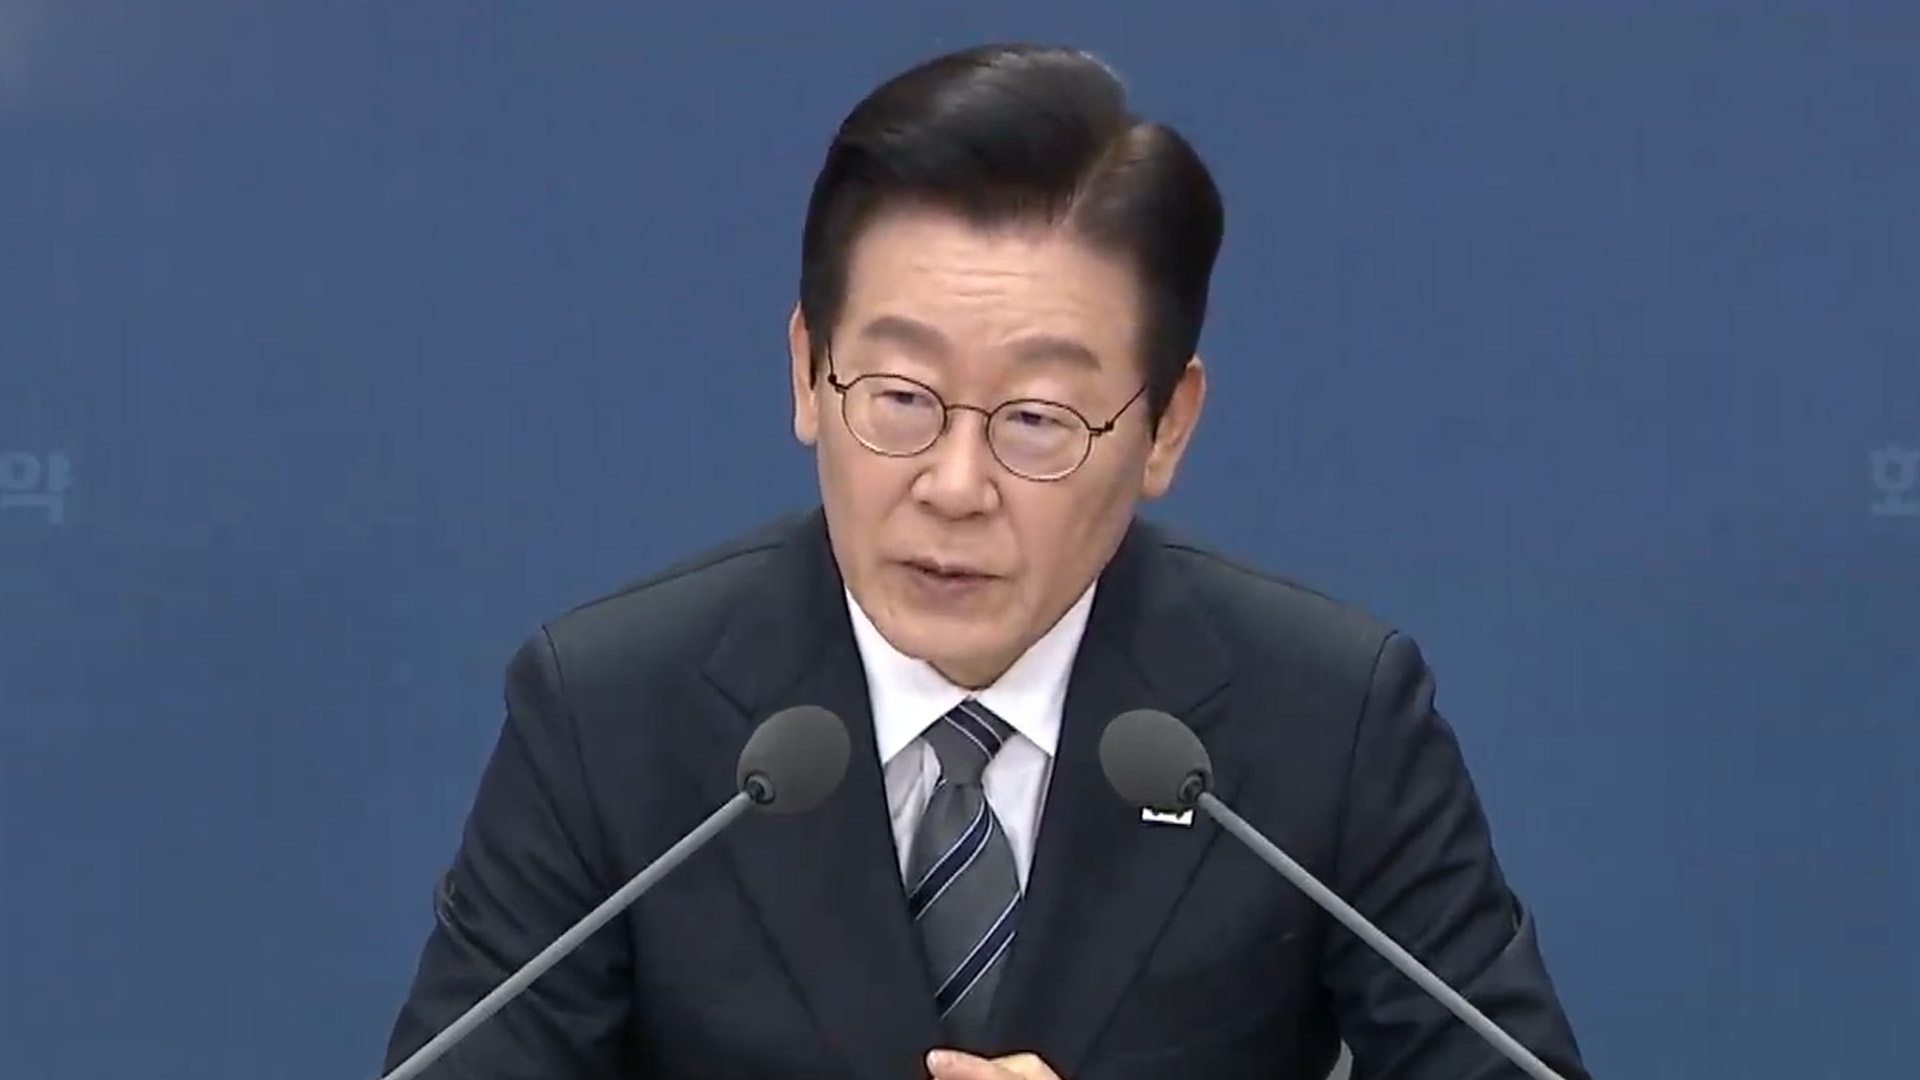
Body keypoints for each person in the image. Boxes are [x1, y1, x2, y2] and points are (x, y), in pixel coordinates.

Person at [383, 42, 1590, 1080]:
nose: (954, 486)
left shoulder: (1328, 721)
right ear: (807, 374)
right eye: (901, 397)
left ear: (1166, 427)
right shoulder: (609, 715)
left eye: (1037, 420)